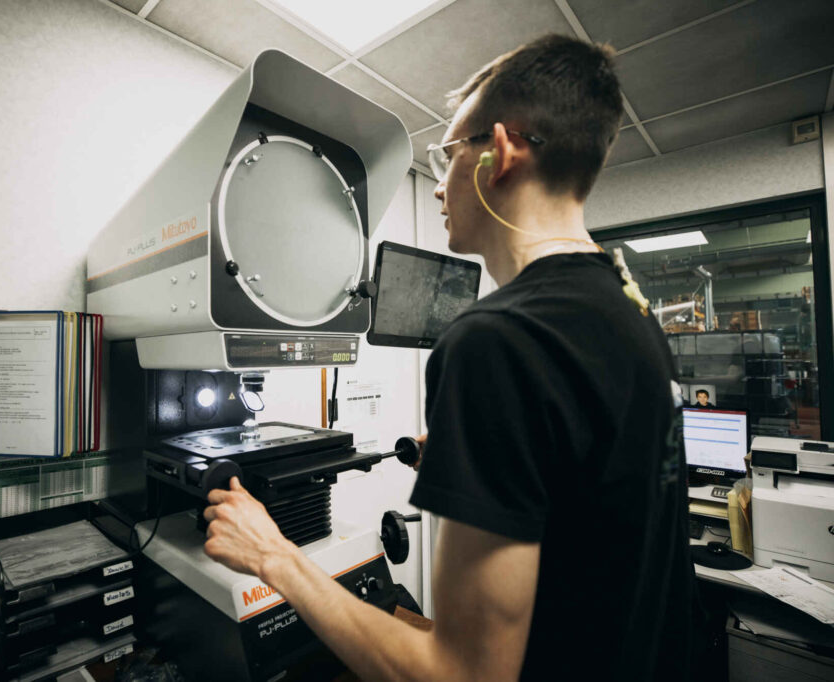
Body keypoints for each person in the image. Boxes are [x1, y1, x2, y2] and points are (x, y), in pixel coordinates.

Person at [202, 34, 694, 681]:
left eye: (448, 153)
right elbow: (595, 504)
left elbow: (461, 676)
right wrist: (494, 461)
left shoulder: (496, 341)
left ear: (504, 150)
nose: (439, 184)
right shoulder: (631, 314)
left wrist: (274, 557)